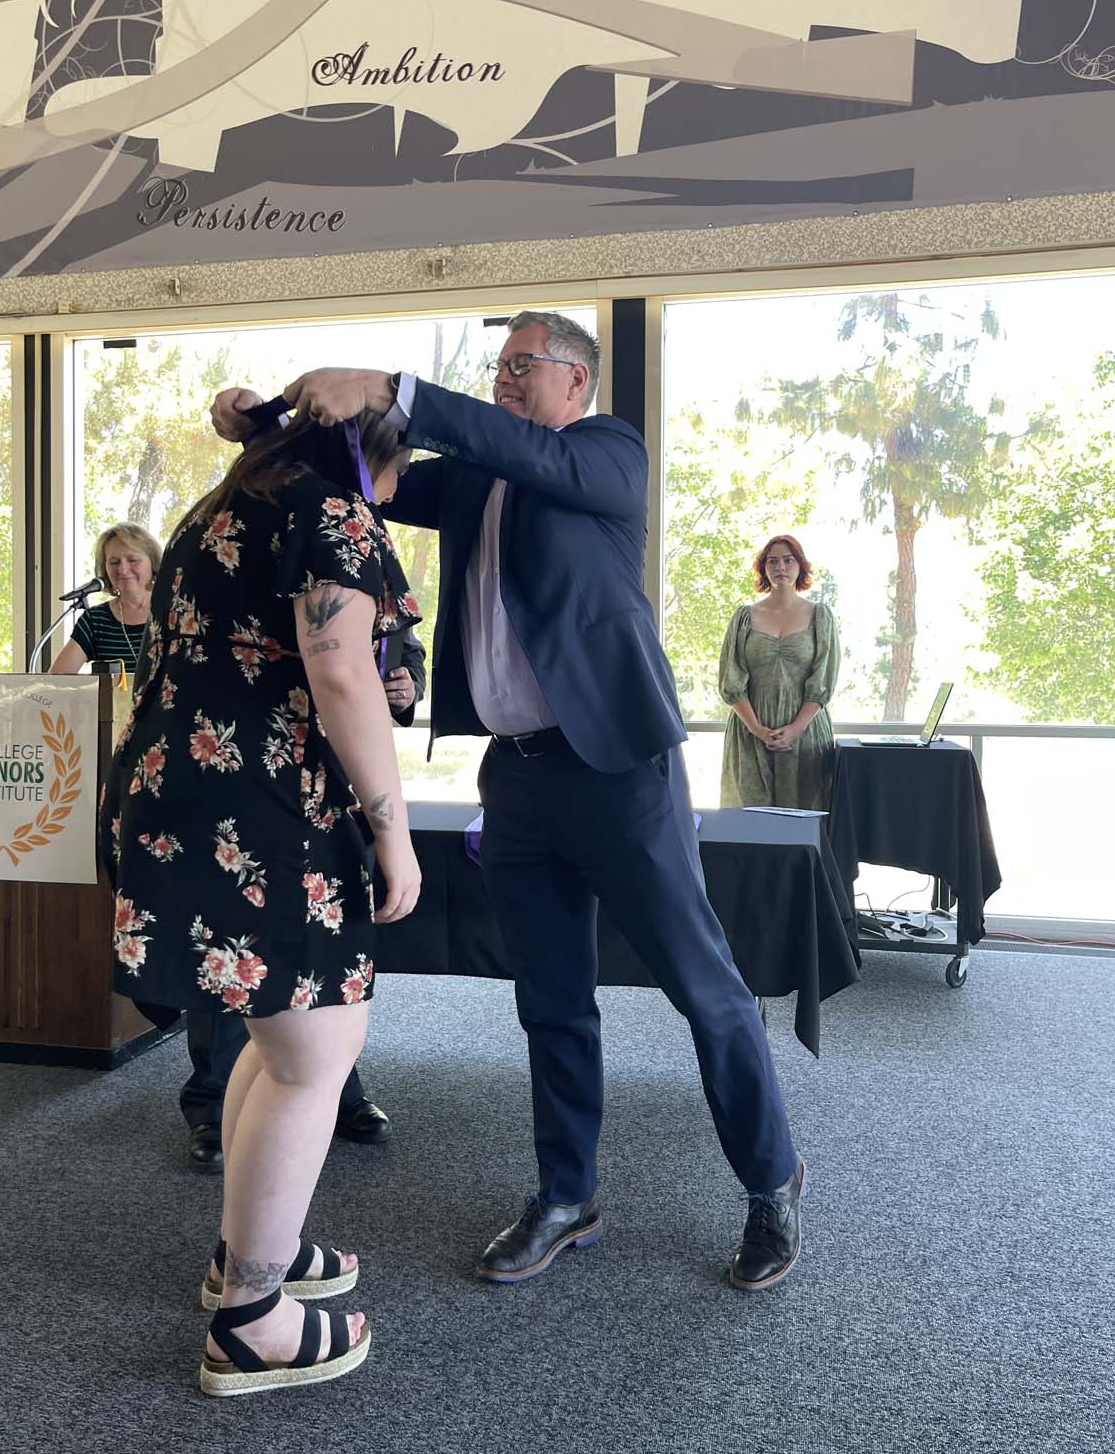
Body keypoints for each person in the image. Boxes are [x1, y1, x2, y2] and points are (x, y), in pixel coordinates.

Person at [211, 310, 805, 1293]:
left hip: (618, 769)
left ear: (576, 380)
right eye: (497, 366)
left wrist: (393, 385)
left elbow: (519, 450)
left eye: (521, 363)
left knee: (704, 987)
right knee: (551, 999)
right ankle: (567, 1195)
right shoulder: (475, 476)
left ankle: (771, 1179)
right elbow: (365, 473)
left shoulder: (606, 454)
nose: (502, 378)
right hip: (519, 777)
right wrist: (266, 424)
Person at [101, 407, 421, 1396]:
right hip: (261, 802)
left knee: (277, 1037)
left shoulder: (224, 504)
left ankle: (247, 1253)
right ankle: (251, 1321)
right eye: (401, 470)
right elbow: (343, 672)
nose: (397, 491)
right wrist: (393, 828)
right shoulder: (333, 510)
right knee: (318, 1048)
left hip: (184, 787)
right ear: (374, 453)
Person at [183, 625, 427, 1172]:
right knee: (236, 959)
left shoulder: (375, 587)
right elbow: (336, 671)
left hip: (338, 786)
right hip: (251, 774)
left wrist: (409, 684)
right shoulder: (310, 565)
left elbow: (404, 649)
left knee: (324, 959)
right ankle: (212, 1105)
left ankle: (338, 1088)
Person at [718, 534, 840, 811]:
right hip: (749, 734)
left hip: (806, 735)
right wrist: (758, 730)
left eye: (788, 560)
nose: (780, 567)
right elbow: (731, 680)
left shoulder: (820, 617)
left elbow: (823, 680)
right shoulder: (743, 617)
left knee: (804, 821)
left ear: (800, 566)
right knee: (749, 822)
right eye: (772, 561)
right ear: (763, 568)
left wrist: (795, 729)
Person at [50, 522, 160, 673]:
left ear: (153, 563)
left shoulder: (177, 612)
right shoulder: (95, 620)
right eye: (114, 562)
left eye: (133, 560)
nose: (123, 569)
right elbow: (57, 677)